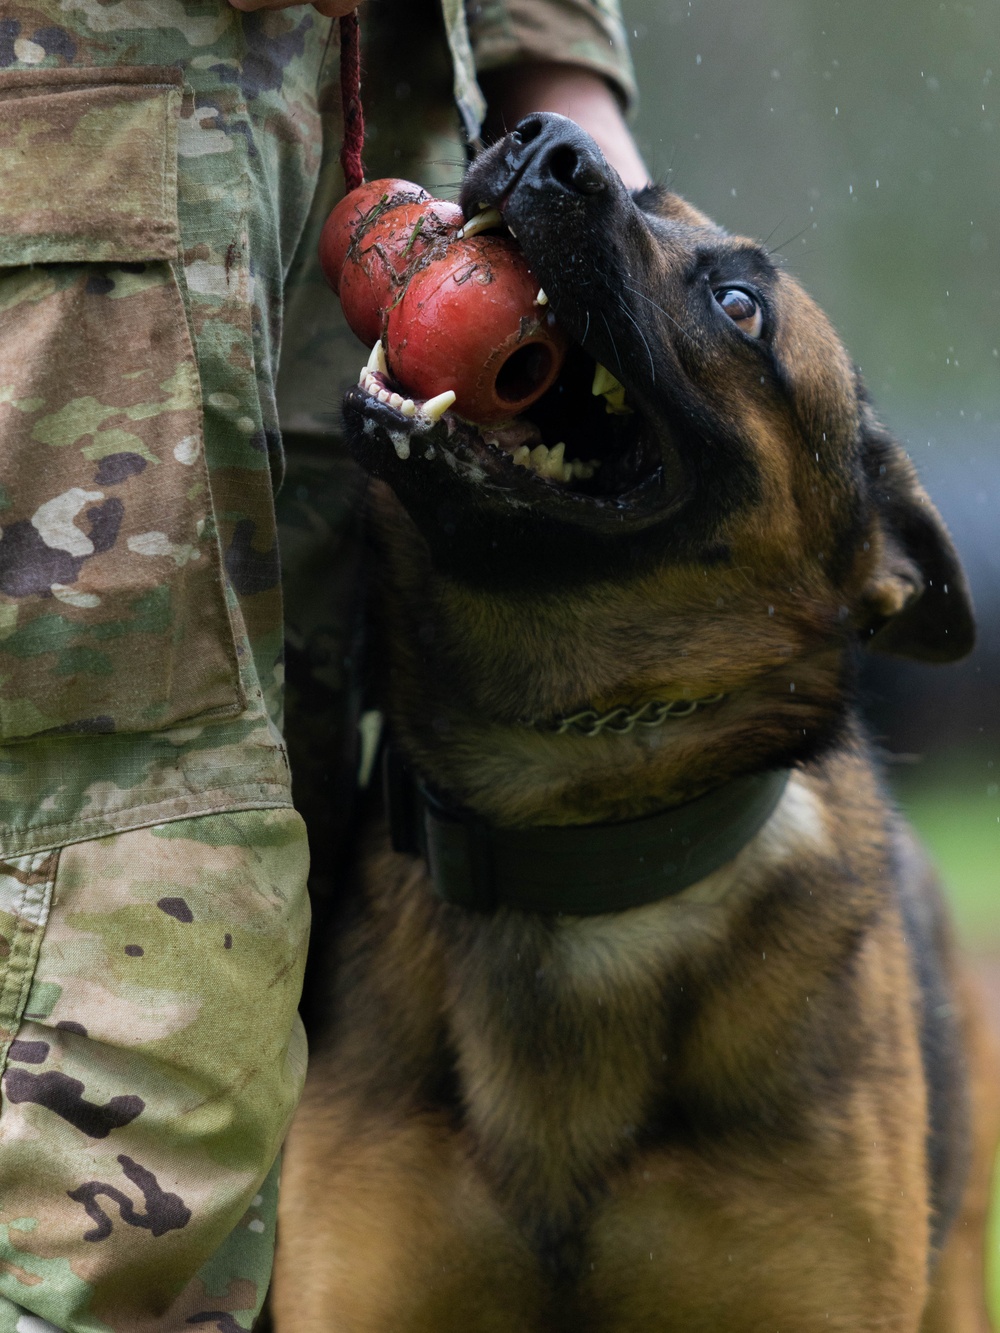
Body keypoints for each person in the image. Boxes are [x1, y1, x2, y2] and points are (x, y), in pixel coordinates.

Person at [0, 0, 645, 1326]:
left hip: (340, 173)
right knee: (132, 1111)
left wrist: (555, 72)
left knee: (246, 1010)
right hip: (79, 157)